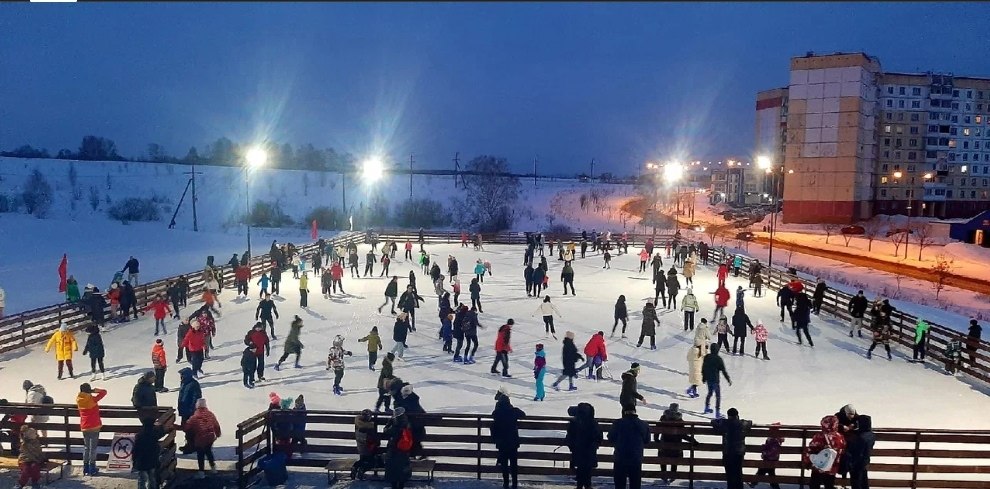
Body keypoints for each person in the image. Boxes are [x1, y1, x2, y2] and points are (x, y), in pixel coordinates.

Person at [607, 407, 650, 489]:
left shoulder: (618, 423)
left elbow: (611, 438)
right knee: (635, 482)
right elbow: (647, 440)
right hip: (636, 457)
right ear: (635, 412)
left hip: (620, 456)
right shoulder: (643, 424)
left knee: (619, 483)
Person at [491, 386, 525, 489]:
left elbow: (494, 422)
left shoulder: (497, 413)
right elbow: (523, 414)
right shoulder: (513, 411)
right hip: (513, 442)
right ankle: (514, 483)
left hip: (502, 442)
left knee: (504, 464)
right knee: (514, 463)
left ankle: (506, 483)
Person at [656, 403, 698, 485]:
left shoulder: (664, 418)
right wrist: (693, 440)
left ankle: (664, 475)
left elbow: (657, 430)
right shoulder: (679, 420)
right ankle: (673, 475)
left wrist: (656, 439)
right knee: (675, 458)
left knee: (662, 456)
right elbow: (683, 435)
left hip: (664, 447)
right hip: (676, 448)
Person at [711, 408, 753, 489]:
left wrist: (721, 420)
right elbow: (750, 422)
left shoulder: (725, 423)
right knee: (738, 473)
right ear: (737, 415)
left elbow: (713, 422)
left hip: (728, 452)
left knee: (730, 474)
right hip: (739, 452)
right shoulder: (742, 423)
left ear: (728, 416)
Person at [804, 415, 846, 489]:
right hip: (832, 467)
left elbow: (811, 449)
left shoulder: (819, 436)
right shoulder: (840, 437)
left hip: (819, 466)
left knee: (814, 485)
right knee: (829, 485)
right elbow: (842, 450)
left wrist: (807, 461)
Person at [565, 402, 601, 489]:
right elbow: (599, 436)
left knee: (580, 468)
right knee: (587, 469)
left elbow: (569, 436)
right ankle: (587, 485)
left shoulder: (574, 422)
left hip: (577, 450)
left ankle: (580, 485)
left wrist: (571, 446)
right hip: (590, 451)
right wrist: (595, 445)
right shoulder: (593, 422)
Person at [185, 398, 221, 479]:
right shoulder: (210, 414)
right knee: (208, 451)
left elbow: (186, 427)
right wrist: (218, 434)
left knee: (200, 454)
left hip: (200, 439)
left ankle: (201, 472)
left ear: (197, 406)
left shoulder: (195, 417)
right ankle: (213, 468)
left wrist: (175, 426)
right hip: (210, 437)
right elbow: (216, 425)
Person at [76, 383, 107, 476]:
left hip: (84, 426)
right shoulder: (92, 399)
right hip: (94, 426)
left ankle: (85, 468)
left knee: (86, 447)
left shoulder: (78, 399)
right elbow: (104, 392)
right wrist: (95, 390)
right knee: (93, 448)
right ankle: (92, 467)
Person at [383, 407, 412, 489]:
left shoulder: (395, 424)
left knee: (393, 470)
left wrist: (389, 423)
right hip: (404, 450)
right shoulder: (407, 422)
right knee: (402, 469)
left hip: (394, 450)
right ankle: (401, 485)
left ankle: (394, 486)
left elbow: (386, 431)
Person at [133, 417, 165, 489]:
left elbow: (135, 449)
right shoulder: (154, 435)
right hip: (152, 460)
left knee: (142, 479)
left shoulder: (140, 435)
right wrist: (161, 426)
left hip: (142, 461)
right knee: (152, 478)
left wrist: (134, 460)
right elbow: (162, 433)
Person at [702, 343, 732, 418]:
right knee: (718, 396)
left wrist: (704, 378)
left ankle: (706, 408)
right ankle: (717, 413)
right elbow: (723, 370)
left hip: (709, 379)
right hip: (715, 380)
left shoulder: (707, 357)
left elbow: (704, 368)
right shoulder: (718, 359)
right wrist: (728, 379)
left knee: (709, 393)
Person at [751, 422, 784, 489]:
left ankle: (754, 483)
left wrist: (765, 453)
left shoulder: (774, 440)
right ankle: (774, 486)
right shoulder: (773, 439)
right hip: (771, 458)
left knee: (763, 470)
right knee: (770, 472)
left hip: (770, 458)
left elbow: (772, 450)